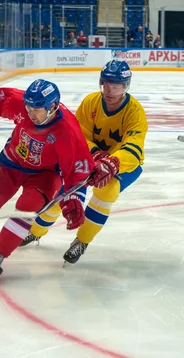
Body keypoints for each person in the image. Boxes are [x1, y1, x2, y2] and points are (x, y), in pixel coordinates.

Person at [0, 80, 94, 279]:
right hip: (11, 161)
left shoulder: (68, 130)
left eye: (37, 110)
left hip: (45, 173)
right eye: (28, 108)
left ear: (53, 107)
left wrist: (74, 199)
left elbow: (77, 169)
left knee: (26, 208)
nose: (30, 113)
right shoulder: (22, 103)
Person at [20, 60, 148, 265]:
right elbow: (77, 135)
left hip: (124, 165)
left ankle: (82, 240)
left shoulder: (135, 112)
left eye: (115, 86)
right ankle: (35, 231)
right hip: (89, 159)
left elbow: (134, 147)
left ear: (125, 86)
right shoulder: (90, 102)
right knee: (63, 192)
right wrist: (94, 154)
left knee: (107, 191)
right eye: (106, 84)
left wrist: (112, 163)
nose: (109, 90)